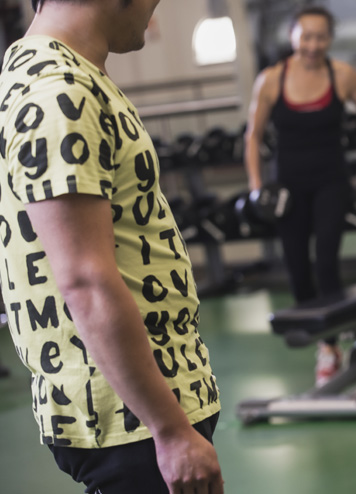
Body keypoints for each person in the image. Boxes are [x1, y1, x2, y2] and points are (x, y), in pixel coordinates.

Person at [0, 1, 224, 493]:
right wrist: (169, 430)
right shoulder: (59, 90)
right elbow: (85, 281)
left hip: (142, 402)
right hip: (134, 416)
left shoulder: (63, 71)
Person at [244, 5, 356, 386]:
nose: (313, 45)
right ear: (293, 37)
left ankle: (331, 344)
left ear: (330, 39)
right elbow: (253, 136)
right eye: (306, 37)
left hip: (331, 181)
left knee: (326, 261)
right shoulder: (271, 79)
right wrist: (257, 188)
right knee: (297, 267)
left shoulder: (342, 75)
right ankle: (327, 343)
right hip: (289, 188)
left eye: (321, 37)